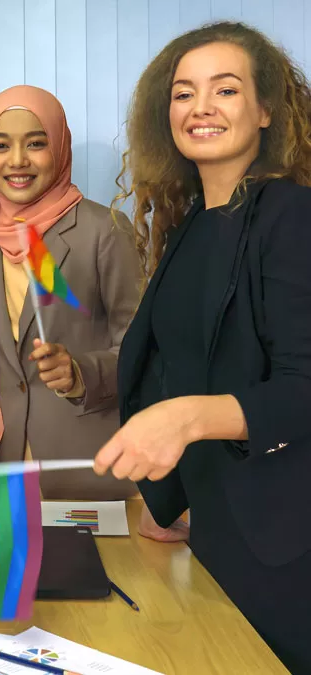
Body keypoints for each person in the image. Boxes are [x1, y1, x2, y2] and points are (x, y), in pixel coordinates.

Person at [93, 22, 311, 672]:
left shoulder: (292, 216)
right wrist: (167, 500)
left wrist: (188, 418)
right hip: (219, 531)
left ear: (266, 109)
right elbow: (181, 364)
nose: (202, 107)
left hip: (288, 547)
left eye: (226, 89)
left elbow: (304, 388)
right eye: (184, 93)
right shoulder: (190, 224)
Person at [0, 85, 140, 500]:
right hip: (4, 468)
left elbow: (145, 352)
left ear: (60, 147)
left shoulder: (105, 231)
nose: (17, 161)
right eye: (0, 145)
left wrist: (81, 371)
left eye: (36, 143)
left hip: (89, 466)